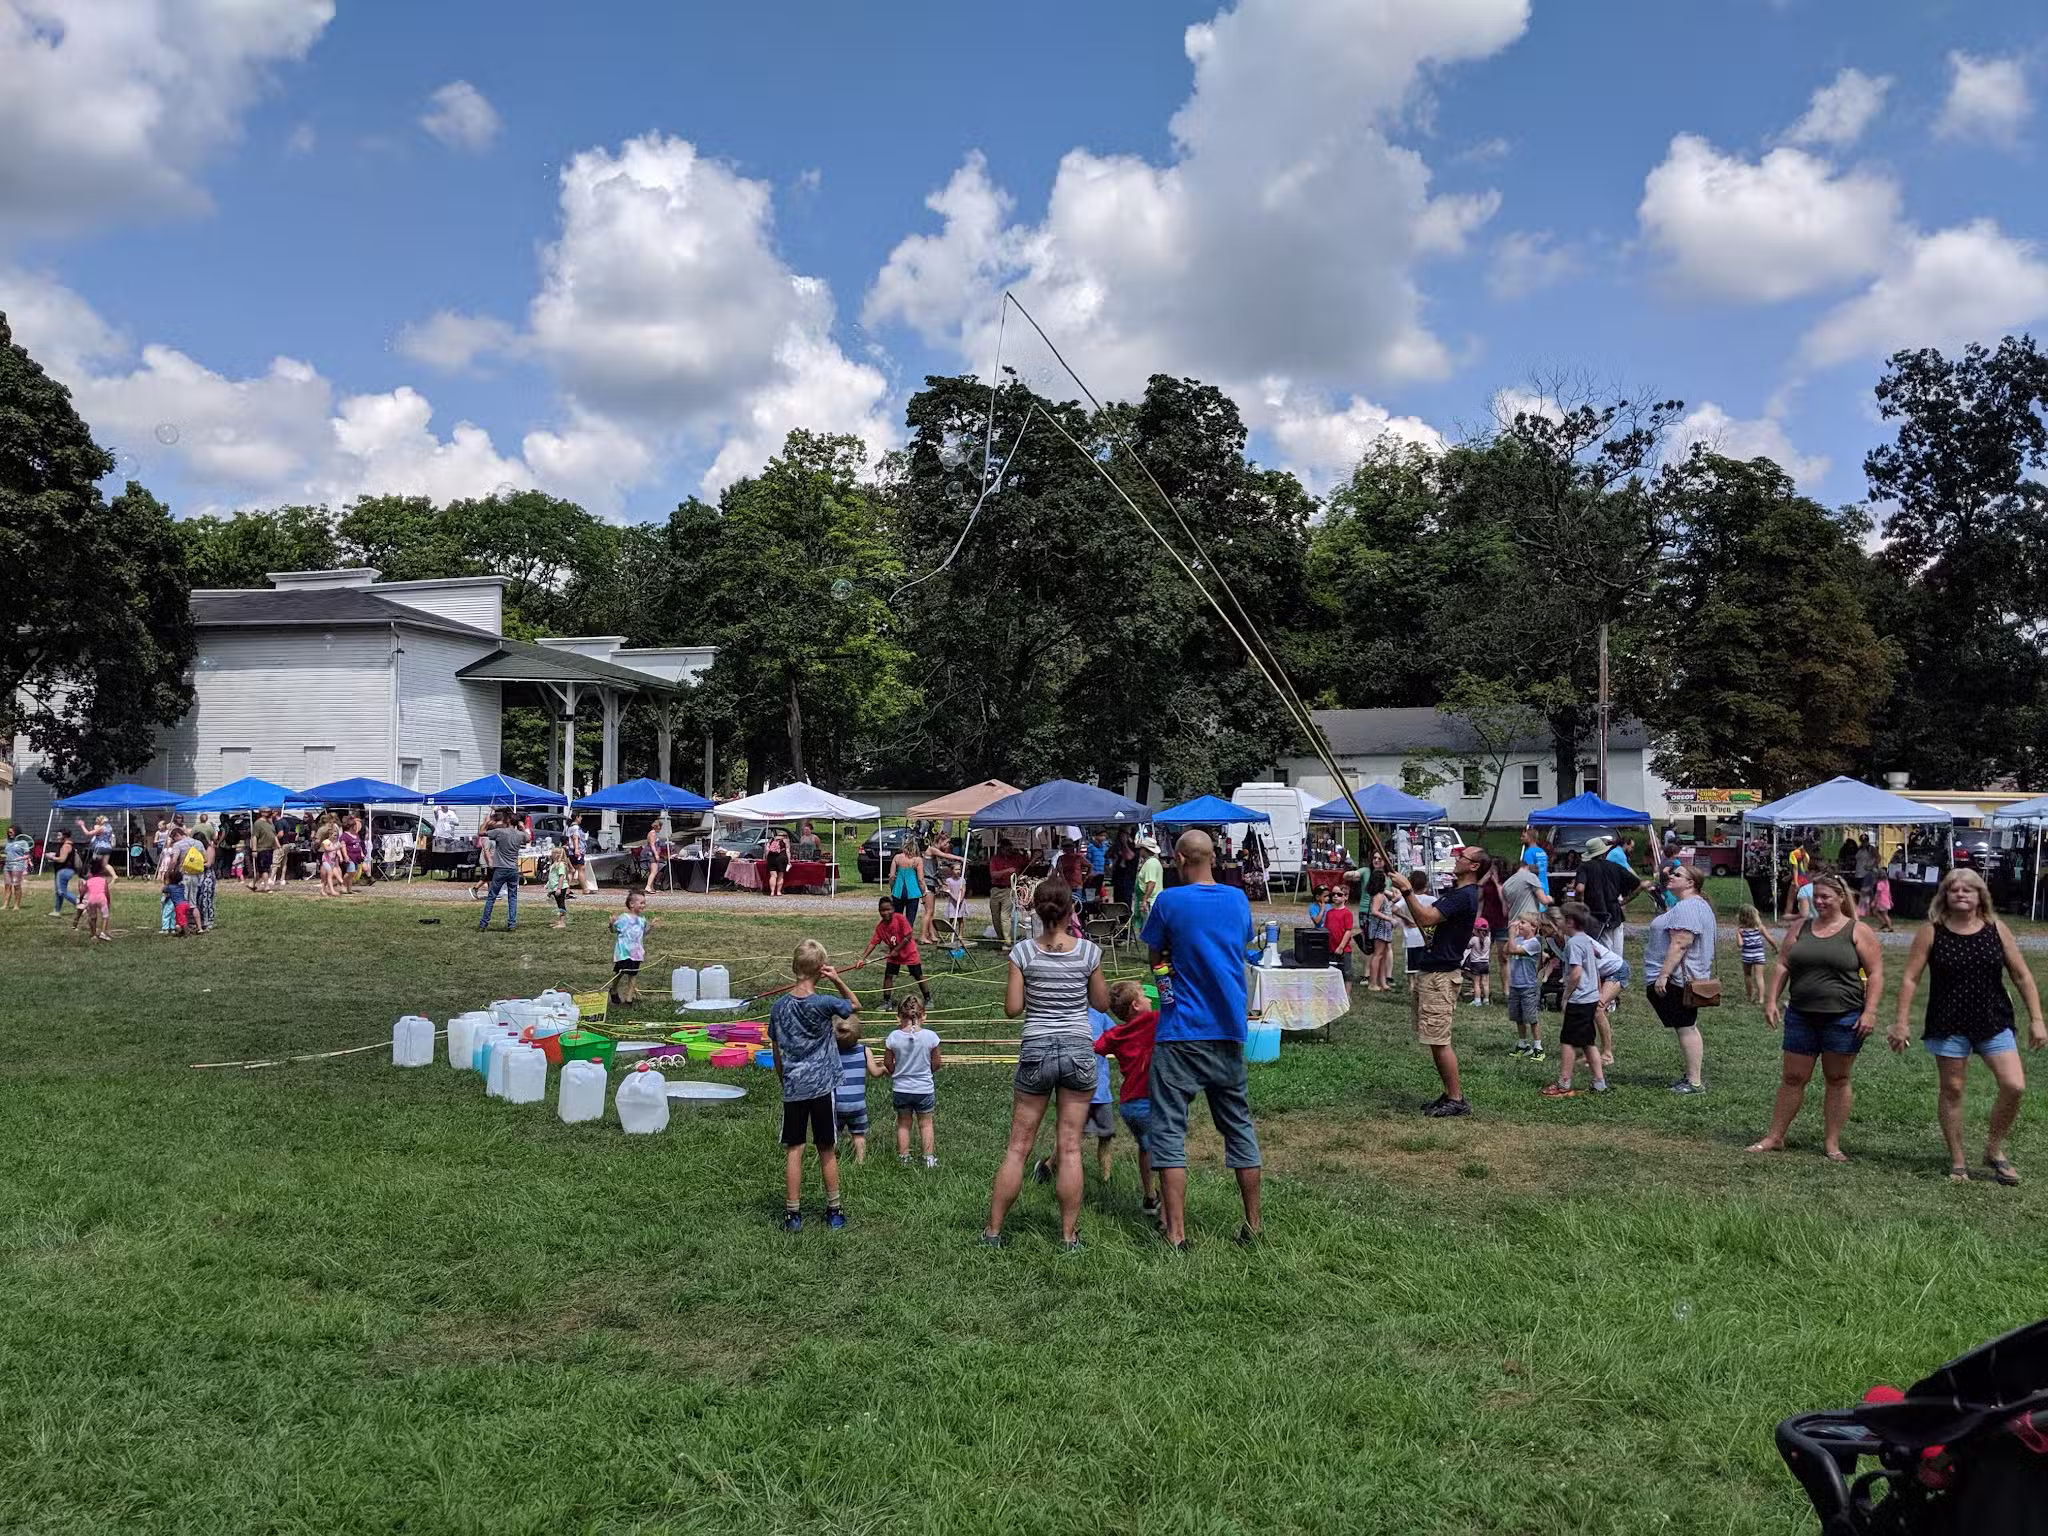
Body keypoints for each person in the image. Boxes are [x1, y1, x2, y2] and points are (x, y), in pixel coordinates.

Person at [1139, 831, 1263, 1247]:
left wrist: (1166, 974)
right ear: (1214, 857)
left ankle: (1176, 1233)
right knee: (1238, 1127)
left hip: (1181, 1032)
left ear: (1177, 858)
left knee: (1170, 1129)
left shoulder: (1169, 901)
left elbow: (1154, 956)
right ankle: (1253, 1224)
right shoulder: (1237, 899)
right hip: (1228, 1028)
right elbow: (1239, 943)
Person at [1889, 867, 2047, 1185]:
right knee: (1953, 1089)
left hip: (1993, 1019)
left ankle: (1993, 1148)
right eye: (1954, 889)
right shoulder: (1932, 931)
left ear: (1980, 896)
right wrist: (1901, 1023)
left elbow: (2022, 975)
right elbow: (1910, 978)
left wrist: (2037, 1020)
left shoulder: (1996, 929)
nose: (1961, 893)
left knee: (2014, 1085)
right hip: (1948, 1021)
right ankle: (1958, 1161)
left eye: (1968, 889)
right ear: (1945, 895)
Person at [982, 879, 1108, 1252]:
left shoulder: (1022, 952)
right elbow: (1101, 1003)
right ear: (1072, 910)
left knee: (1018, 1148)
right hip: (1077, 1049)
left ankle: (992, 1233)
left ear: (1035, 910)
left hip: (1036, 1048)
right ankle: (1068, 1237)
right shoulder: (1088, 952)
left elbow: (1012, 1008)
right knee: (1069, 1148)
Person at [1750, 873, 1884, 1162]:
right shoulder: (1801, 927)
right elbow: (1784, 963)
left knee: (1837, 1078)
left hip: (1844, 1017)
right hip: (1801, 1015)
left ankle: (1832, 1143)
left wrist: (1870, 1011)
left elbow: (1875, 974)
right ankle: (1775, 1136)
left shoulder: (1858, 931)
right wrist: (1771, 999)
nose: (1819, 902)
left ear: (1840, 898)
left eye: (1826, 897)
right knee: (1793, 1077)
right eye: (1816, 896)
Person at [769, 940, 858, 1231]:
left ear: (794, 967)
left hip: (794, 1086)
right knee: (826, 1148)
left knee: (794, 1149)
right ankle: (834, 1210)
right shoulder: (824, 1003)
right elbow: (855, 1006)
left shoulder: (778, 1008)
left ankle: (792, 1215)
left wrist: (785, 1080)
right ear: (820, 970)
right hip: (822, 1087)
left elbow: (777, 1051)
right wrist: (837, 979)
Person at [1391, 846, 1487, 1118]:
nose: (1456, 859)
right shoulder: (1458, 894)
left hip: (1441, 978)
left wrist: (1407, 891)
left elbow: (1426, 917)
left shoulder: (1465, 896)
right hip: (1432, 972)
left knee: (1440, 1039)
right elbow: (1429, 920)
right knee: (1433, 1038)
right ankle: (1449, 1094)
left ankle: (1456, 1099)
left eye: (1462, 857)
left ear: (1474, 867)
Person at [1644, 862, 1717, 1095]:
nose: (1671, 876)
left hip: (1677, 980)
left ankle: (1694, 1082)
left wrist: (1663, 975)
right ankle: (1691, 1076)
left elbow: (1680, 943)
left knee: (1686, 1027)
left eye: (1677, 874)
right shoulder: (1693, 905)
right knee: (1687, 1027)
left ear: (1690, 883)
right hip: (1682, 979)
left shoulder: (1688, 907)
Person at [1094, 979, 1161, 1222]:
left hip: (1129, 1106)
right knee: (1165, 1152)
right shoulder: (1153, 1021)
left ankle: (1150, 1195)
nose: (1149, 999)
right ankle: (1167, 1210)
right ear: (1135, 1005)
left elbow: (1097, 1046)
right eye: (1144, 996)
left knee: (1146, 1148)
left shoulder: (1116, 1034)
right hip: (1150, 1100)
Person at [1545, 903, 1616, 1097]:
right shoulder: (1586, 940)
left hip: (1580, 999)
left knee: (1567, 1041)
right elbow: (1595, 968)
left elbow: (1576, 973)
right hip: (1590, 997)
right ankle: (1599, 1083)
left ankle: (1564, 1082)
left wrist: (1566, 996)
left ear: (1570, 922)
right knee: (1587, 1042)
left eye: (1562, 920)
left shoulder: (1574, 943)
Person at [884, 995, 942, 1169]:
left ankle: (904, 1158)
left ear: (898, 1016)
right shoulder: (931, 1037)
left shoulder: (893, 1037)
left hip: (901, 1088)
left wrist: (896, 1072)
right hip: (924, 1088)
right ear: (923, 1015)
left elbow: (887, 1063)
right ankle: (929, 1159)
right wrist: (928, 1071)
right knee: (926, 1124)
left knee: (903, 1124)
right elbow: (937, 1063)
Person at [861, 894, 931, 1006]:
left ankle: (928, 998)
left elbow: (908, 935)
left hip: (909, 953)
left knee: (918, 975)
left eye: (888, 909)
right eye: (882, 910)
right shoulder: (880, 927)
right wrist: (862, 959)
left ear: (893, 909)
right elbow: (873, 943)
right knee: (888, 975)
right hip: (894, 956)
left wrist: (897, 949)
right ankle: (886, 1001)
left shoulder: (900, 918)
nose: (885, 912)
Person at [1576, 835, 1641, 952]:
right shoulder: (1615, 867)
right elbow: (1637, 883)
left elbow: (1580, 888)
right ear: (1604, 853)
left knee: (1602, 954)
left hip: (1595, 914)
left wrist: (1579, 904)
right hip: (1615, 913)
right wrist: (1625, 900)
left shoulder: (1584, 867)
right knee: (1617, 953)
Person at [832, 1015, 881, 1165]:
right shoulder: (865, 1051)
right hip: (858, 1104)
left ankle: (830, 1160)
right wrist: (885, 1069)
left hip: (836, 1104)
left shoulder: (831, 1052)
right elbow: (875, 1072)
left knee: (832, 1135)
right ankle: (860, 1161)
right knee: (858, 1135)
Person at [477, 810, 524, 932]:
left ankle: (484, 923)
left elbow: (481, 833)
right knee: (512, 897)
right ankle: (512, 924)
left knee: (492, 896)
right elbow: (528, 838)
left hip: (501, 868)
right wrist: (522, 828)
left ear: (508, 820)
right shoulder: (519, 834)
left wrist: (486, 823)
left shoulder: (500, 832)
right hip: (513, 869)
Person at [1505, 916, 1545, 1059]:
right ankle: (1523, 1044)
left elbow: (1513, 950)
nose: (1519, 925)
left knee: (1532, 1018)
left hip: (1528, 986)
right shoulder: (1519, 940)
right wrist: (1514, 936)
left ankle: (1538, 1047)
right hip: (1515, 985)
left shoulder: (1534, 943)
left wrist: (1511, 934)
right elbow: (1506, 950)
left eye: (1523, 922)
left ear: (1533, 927)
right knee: (1519, 1017)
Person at [608, 889, 652, 1004]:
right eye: (641, 903)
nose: (644, 905)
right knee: (620, 972)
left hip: (636, 953)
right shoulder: (623, 918)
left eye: (644, 903)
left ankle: (629, 998)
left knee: (633, 975)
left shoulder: (642, 920)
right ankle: (613, 989)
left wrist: (651, 927)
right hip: (623, 952)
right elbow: (613, 931)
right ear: (632, 904)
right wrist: (612, 923)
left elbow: (644, 933)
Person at [1735, 904, 1779, 1004]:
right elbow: (1770, 939)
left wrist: (1738, 934)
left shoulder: (1741, 930)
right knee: (1759, 976)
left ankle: (1750, 996)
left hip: (1747, 955)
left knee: (1747, 975)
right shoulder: (1760, 927)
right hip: (1759, 955)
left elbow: (1740, 944)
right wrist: (1775, 948)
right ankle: (1761, 999)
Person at [1398, 872, 1428, 993]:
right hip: (1424, 937)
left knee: (1411, 968)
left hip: (1410, 937)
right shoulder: (1431, 899)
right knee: (1423, 966)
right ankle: (1422, 988)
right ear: (1426, 885)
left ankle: (1411, 987)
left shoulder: (1406, 900)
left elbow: (1394, 908)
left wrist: (1407, 919)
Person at [1366, 878, 1396, 992]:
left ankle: (1383, 982)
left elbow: (1396, 896)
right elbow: (1374, 911)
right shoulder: (1378, 896)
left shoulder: (1382, 895)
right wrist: (1389, 919)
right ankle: (1373, 983)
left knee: (1382, 956)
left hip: (1384, 928)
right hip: (1380, 928)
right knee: (1377, 955)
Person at [888, 836, 924, 927]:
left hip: (898, 891)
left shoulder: (897, 857)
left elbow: (892, 876)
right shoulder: (917, 860)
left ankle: (896, 938)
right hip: (913, 892)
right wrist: (924, 892)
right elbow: (920, 880)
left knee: (896, 918)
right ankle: (907, 938)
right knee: (910, 919)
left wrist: (892, 888)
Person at [1324, 885, 1358, 983]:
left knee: (1346, 973)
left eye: (1339, 894)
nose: (1335, 896)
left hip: (1344, 949)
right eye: (1333, 894)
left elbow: (1348, 931)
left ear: (1346, 897)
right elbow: (1326, 930)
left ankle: (1347, 996)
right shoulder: (1329, 913)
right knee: (1331, 972)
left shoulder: (1347, 913)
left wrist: (1341, 946)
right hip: (1330, 947)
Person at [80, 855, 116, 942]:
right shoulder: (103, 880)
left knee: (92, 917)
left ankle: (93, 935)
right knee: (105, 916)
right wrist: (108, 901)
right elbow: (106, 892)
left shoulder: (88, 881)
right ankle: (103, 932)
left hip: (91, 900)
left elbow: (83, 892)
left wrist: (81, 900)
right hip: (101, 899)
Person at [1133, 834, 1165, 931]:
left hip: (1150, 901)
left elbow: (1151, 883)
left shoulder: (1151, 864)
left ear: (1144, 850)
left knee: (1149, 927)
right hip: (1150, 899)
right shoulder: (1151, 862)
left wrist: (1144, 900)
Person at [48, 828, 80, 918]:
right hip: (62, 871)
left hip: (64, 871)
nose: (57, 837)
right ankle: (57, 911)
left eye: (59, 835)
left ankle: (81, 904)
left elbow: (62, 859)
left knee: (61, 891)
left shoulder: (66, 846)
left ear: (65, 836)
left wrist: (51, 857)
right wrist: (54, 854)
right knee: (58, 892)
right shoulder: (64, 845)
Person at [1461, 921, 1492, 1005]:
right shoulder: (1488, 939)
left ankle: (1477, 1000)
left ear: (1476, 930)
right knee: (1485, 983)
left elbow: (1467, 946)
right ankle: (1486, 1000)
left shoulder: (1474, 939)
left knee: (1476, 983)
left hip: (1476, 963)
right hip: (1485, 963)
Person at [248, 809, 278, 893]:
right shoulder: (258, 823)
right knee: (264, 869)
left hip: (269, 848)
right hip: (261, 849)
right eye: (267, 811)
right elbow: (255, 837)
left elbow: (273, 834)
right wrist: (254, 850)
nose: (269, 813)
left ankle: (252, 884)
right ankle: (266, 887)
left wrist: (277, 845)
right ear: (262, 813)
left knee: (263, 869)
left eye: (269, 811)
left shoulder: (270, 823)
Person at [2, 824, 30, 911]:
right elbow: (5, 853)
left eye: (11, 832)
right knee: (7, 886)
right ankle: (5, 905)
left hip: (17, 866)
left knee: (16, 886)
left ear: (16, 832)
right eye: (9, 832)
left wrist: (20, 858)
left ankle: (16, 905)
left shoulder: (23, 842)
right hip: (7, 865)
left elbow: (27, 856)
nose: (10, 834)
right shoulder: (8, 842)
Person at [545, 846, 572, 930]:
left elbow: (561, 877)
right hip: (554, 887)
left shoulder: (560, 865)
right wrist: (548, 885)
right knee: (558, 904)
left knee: (561, 904)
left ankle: (562, 922)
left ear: (557, 855)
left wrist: (559, 888)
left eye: (552, 853)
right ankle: (560, 920)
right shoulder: (554, 864)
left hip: (560, 887)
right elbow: (552, 877)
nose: (551, 855)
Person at [763, 826, 791, 898]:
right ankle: (778, 891)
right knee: (780, 875)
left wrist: (766, 858)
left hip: (771, 858)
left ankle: (772, 892)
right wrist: (789, 861)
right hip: (781, 858)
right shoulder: (785, 841)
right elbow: (787, 851)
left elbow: (767, 850)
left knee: (773, 875)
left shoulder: (771, 840)